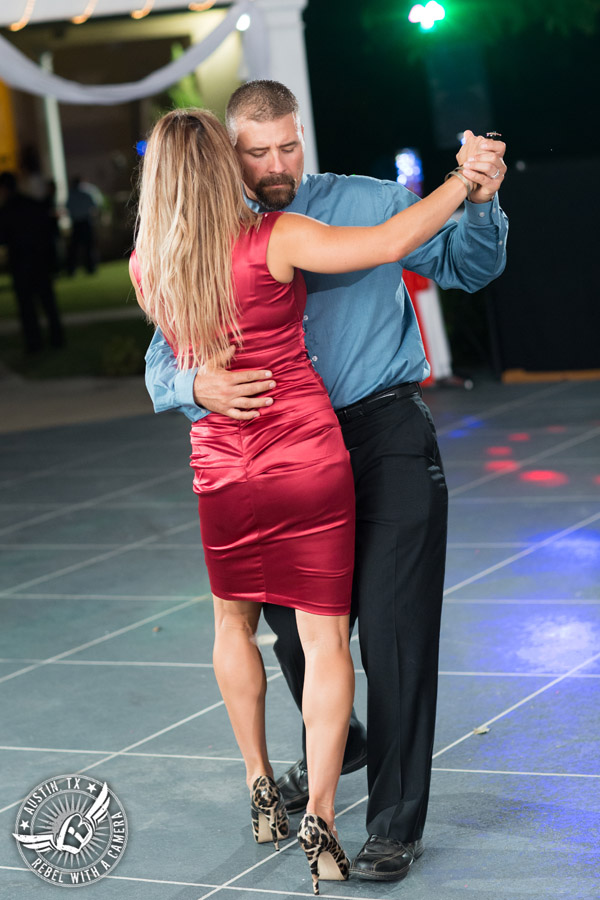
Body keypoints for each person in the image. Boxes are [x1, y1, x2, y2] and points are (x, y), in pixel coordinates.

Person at [144, 81, 508, 884]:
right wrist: (192, 387)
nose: (276, 165)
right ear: (225, 153)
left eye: (289, 147)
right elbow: (162, 354)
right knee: (296, 634)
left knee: (390, 632)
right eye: (257, 151)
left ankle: (392, 826)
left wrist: (476, 200)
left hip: (381, 433)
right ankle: (348, 741)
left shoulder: (369, 201)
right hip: (274, 451)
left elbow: (468, 268)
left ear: (301, 137)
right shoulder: (208, 235)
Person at [0, 170, 65, 352]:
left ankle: (34, 343)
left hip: (21, 264)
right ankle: (57, 337)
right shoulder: (32, 204)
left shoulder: (6, 211)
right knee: (48, 302)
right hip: (40, 261)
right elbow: (48, 228)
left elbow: (3, 237)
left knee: (27, 308)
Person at [66, 176, 99, 276]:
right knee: (87, 247)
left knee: (76, 248)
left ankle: (73, 270)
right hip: (84, 222)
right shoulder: (85, 194)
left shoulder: (72, 195)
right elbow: (93, 206)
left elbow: (68, 208)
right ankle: (89, 268)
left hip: (79, 223)